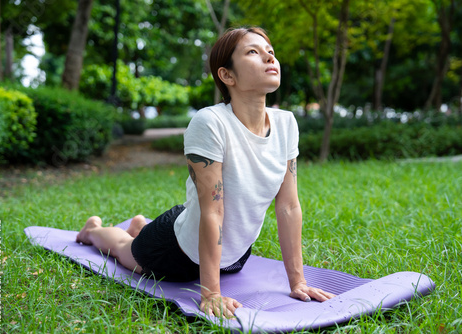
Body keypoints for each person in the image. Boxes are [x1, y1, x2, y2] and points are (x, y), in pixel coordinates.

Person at [76, 26, 335, 319]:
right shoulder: (210, 122)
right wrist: (211, 293)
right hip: (178, 252)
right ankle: (94, 231)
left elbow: (288, 206)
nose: (269, 58)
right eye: (253, 52)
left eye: (270, 52)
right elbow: (213, 210)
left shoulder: (286, 123)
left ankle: (140, 225)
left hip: (235, 256)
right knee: (125, 250)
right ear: (227, 75)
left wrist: (298, 282)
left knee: (164, 228)